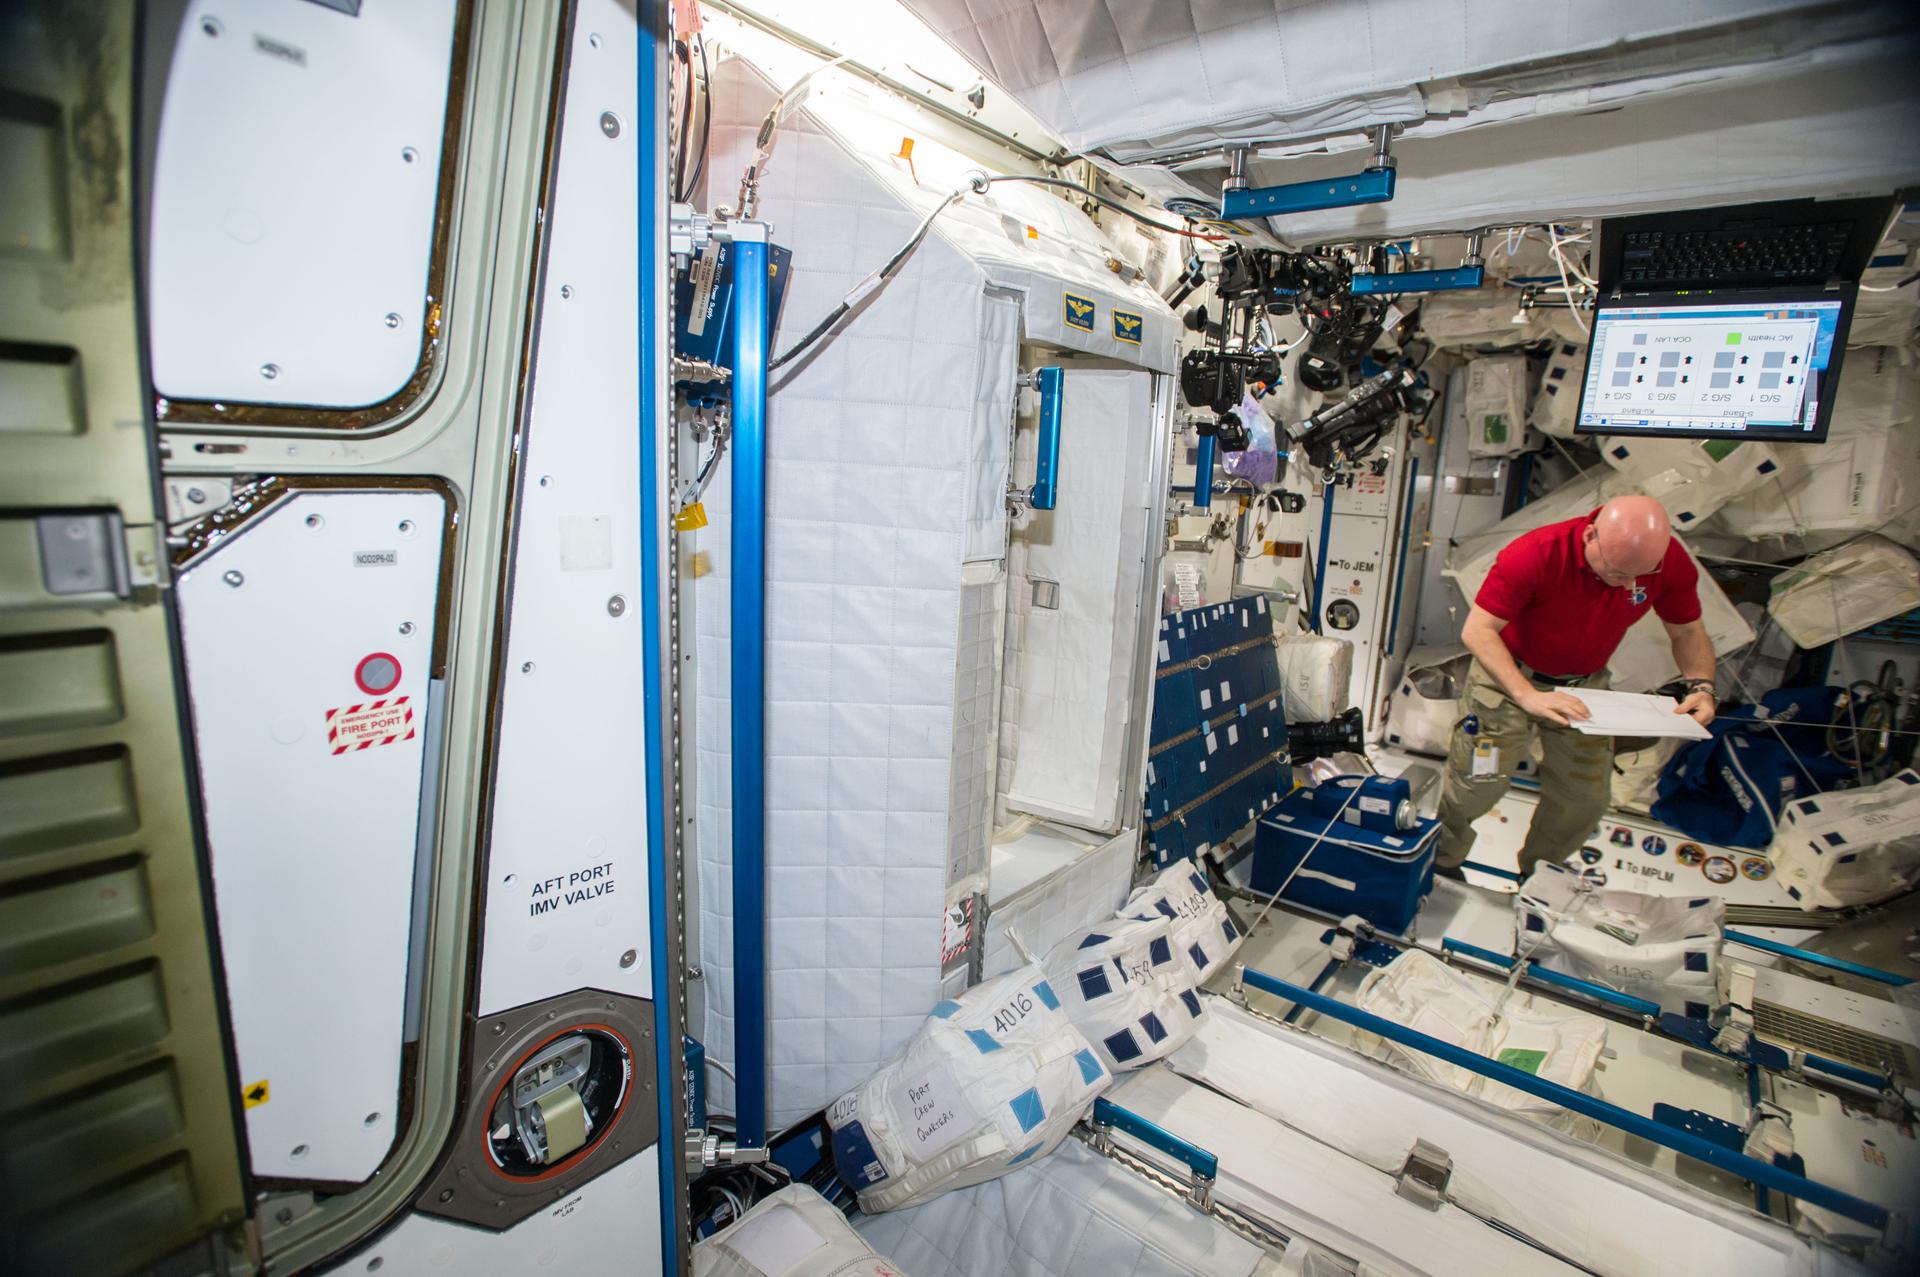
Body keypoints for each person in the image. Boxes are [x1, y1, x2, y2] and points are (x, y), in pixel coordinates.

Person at [1436, 494, 1717, 880]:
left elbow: (1687, 631)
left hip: (1583, 685)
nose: (1628, 584)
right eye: (1618, 572)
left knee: (1585, 796)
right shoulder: (1535, 553)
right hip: (1508, 678)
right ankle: (1440, 860)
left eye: (1638, 576)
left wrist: (1701, 685)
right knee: (1477, 781)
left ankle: (1540, 877)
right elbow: (1479, 630)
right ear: (1590, 536)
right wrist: (1526, 694)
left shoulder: (1668, 563)